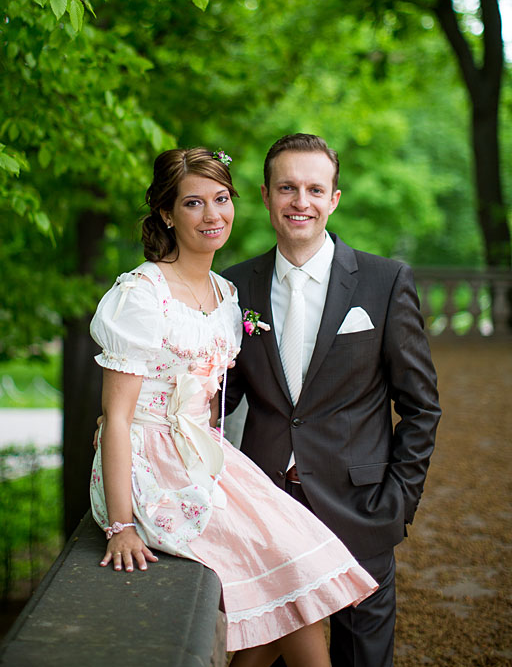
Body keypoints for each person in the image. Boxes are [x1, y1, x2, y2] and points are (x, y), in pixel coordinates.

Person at [89, 147, 378, 667]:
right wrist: (121, 525)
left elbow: (212, 393)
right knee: (283, 564)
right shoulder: (140, 295)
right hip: (151, 465)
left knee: (287, 569)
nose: (212, 215)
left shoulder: (226, 295)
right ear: (166, 213)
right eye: (193, 204)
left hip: (207, 454)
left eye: (221, 199)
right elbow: (117, 418)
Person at [223, 133, 442, 667]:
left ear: (334, 199)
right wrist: (137, 414)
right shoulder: (232, 288)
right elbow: (218, 398)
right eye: (288, 188)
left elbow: (421, 405)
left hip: (359, 507)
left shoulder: (384, 282)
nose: (302, 201)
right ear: (266, 195)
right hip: (268, 507)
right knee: (263, 653)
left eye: (315, 189)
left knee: (362, 656)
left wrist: (398, 502)